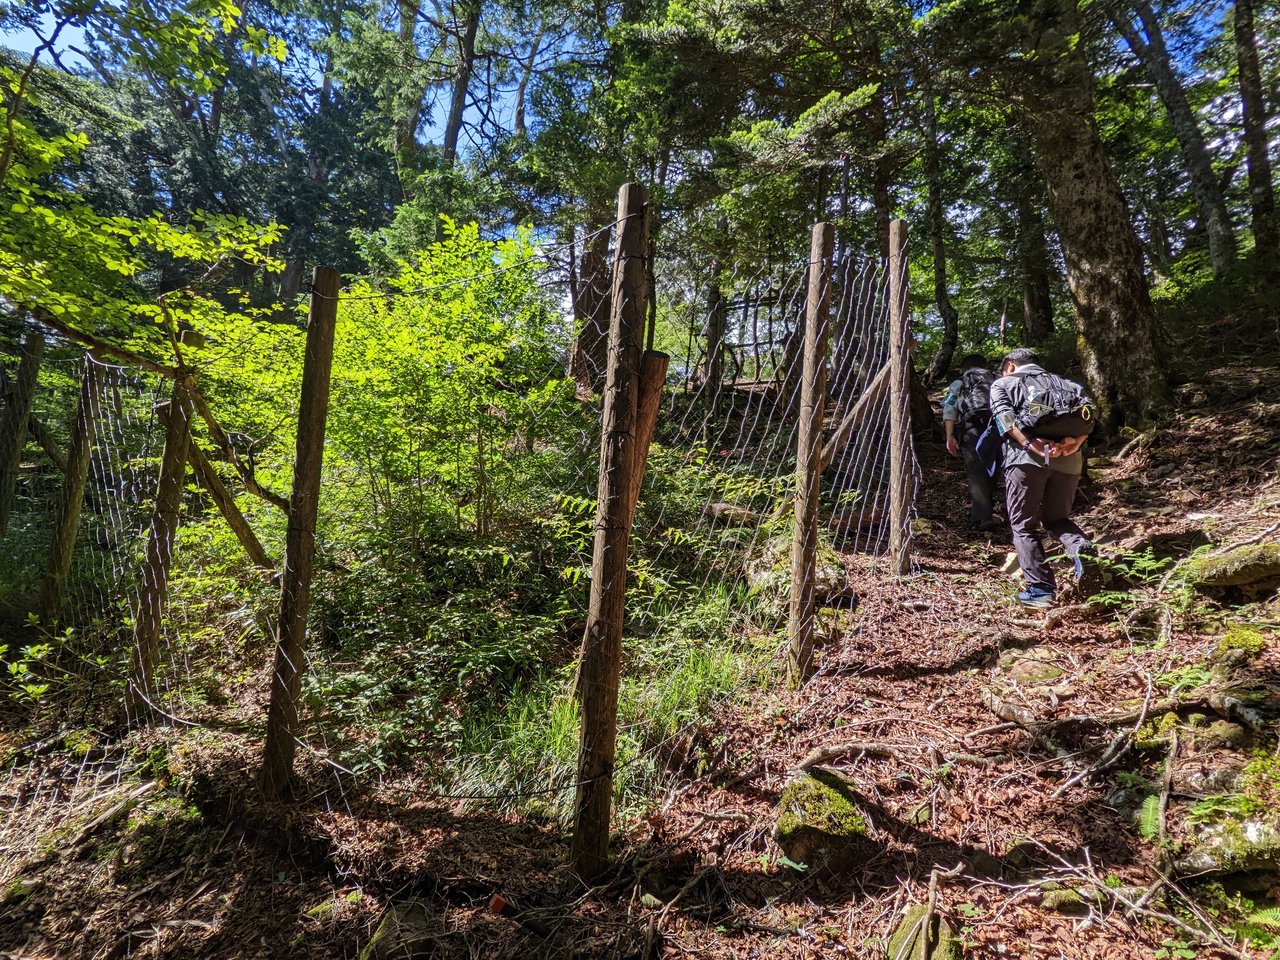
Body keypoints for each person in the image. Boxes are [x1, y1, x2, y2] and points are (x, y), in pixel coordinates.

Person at [989, 347, 1095, 608]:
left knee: (1024, 525)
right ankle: (1081, 548)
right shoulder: (1068, 384)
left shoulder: (1003, 383)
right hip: (1069, 461)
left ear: (1011, 366)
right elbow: (1090, 416)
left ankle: (1041, 590)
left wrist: (1029, 445)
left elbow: (1005, 419)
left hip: (1026, 461)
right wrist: (1074, 443)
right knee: (1057, 518)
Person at [942, 353, 1000, 531]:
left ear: (964, 368)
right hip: (997, 429)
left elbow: (949, 409)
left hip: (971, 429)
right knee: (993, 468)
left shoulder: (959, 383)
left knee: (976, 472)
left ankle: (982, 518)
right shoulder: (997, 380)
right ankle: (989, 510)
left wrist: (950, 436)